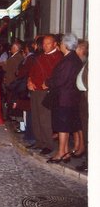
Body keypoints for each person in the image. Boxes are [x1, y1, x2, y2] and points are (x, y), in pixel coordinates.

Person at [44, 33, 83, 164]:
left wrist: (48, 83)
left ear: (65, 45)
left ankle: (61, 152)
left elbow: (61, 79)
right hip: (68, 98)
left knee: (62, 127)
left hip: (64, 98)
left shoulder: (69, 60)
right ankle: (65, 152)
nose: (60, 45)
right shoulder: (73, 58)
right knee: (64, 126)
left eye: (61, 43)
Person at [27, 34, 63, 155]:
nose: (45, 46)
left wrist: (47, 84)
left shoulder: (58, 57)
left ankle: (48, 144)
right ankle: (39, 141)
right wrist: (29, 82)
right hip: (35, 90)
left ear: (54, 44)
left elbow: (56, 75)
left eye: (48, 44)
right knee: (36, 117)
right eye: (44, 44)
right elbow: (32, 71)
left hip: (45, 91)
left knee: (44, 118)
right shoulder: (40, 56)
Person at [75, 39, 88, 172]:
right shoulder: (83, 62)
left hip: (86, 99)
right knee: (82, 127)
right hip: (82, 98)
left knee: (87, 129)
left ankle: (89, 162)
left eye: (78, 49)